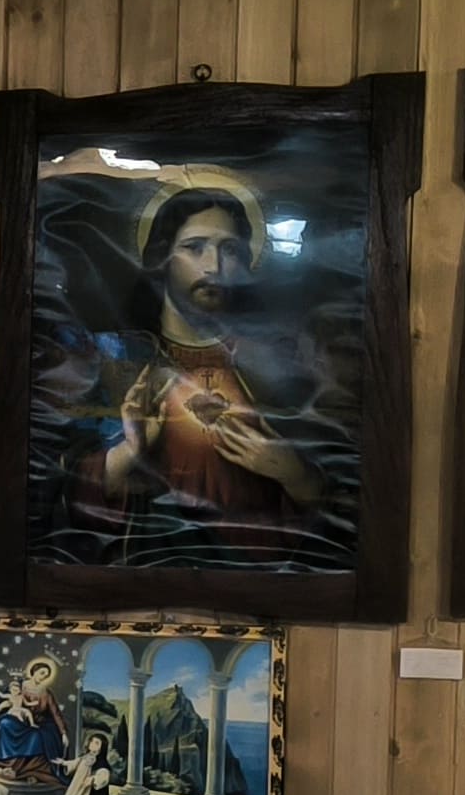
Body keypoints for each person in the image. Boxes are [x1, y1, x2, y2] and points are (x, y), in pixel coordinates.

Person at [52, 182, 338, 566]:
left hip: (258, 575)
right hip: (144, 575)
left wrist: (296, 475)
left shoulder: (271, 363)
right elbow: (62, 495)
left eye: (229, 249)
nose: (213, 267)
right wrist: (128, 453)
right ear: (162, 257)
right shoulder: (117, 357)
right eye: (194, 247)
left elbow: (332, 496)